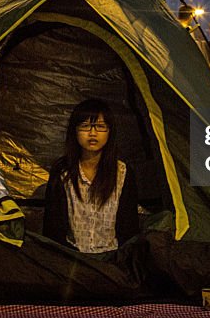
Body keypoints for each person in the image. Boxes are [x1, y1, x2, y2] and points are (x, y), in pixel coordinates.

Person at [43, 99, 138, 254]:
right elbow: (52, 227)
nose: (93, 133)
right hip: (72, 256)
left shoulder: (123, 172)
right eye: (85, 126)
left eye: (100, 127)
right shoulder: (62, 171)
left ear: (110, 131)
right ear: (75, 131)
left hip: (113, 258)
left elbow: (129, 228)